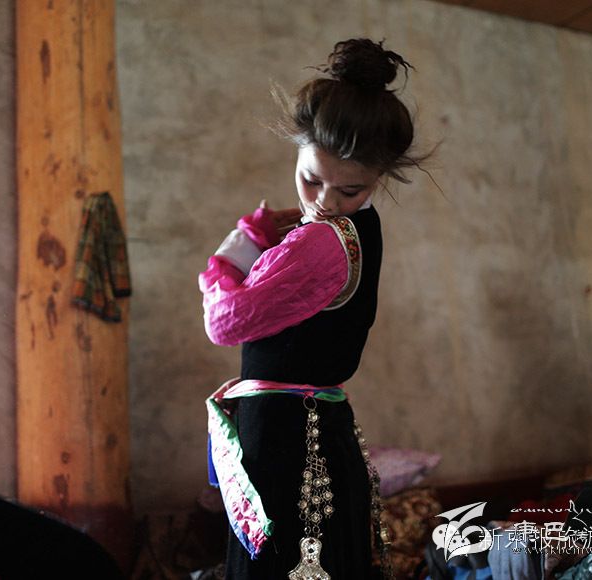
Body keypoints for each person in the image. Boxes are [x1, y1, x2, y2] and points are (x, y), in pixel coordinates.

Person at [199, 38, 426, 579]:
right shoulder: (351, 230)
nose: (324, 202)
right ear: (296, 152)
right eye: (311, 179)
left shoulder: (321, 240)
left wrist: (231, 254)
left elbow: (223, 321)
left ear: (379, 178)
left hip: (288, 440)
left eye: (350, 189)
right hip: (314, 430)